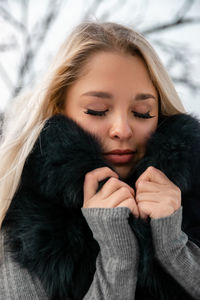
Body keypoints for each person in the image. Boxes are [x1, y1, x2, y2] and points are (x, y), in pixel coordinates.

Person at [0, 21, 200, 300]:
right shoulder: (21, 227)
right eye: (97, 110)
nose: (122, 129)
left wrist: (174, 246)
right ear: (60, 107)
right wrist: (117, 256)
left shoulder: (192, 197)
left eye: (142, 112)